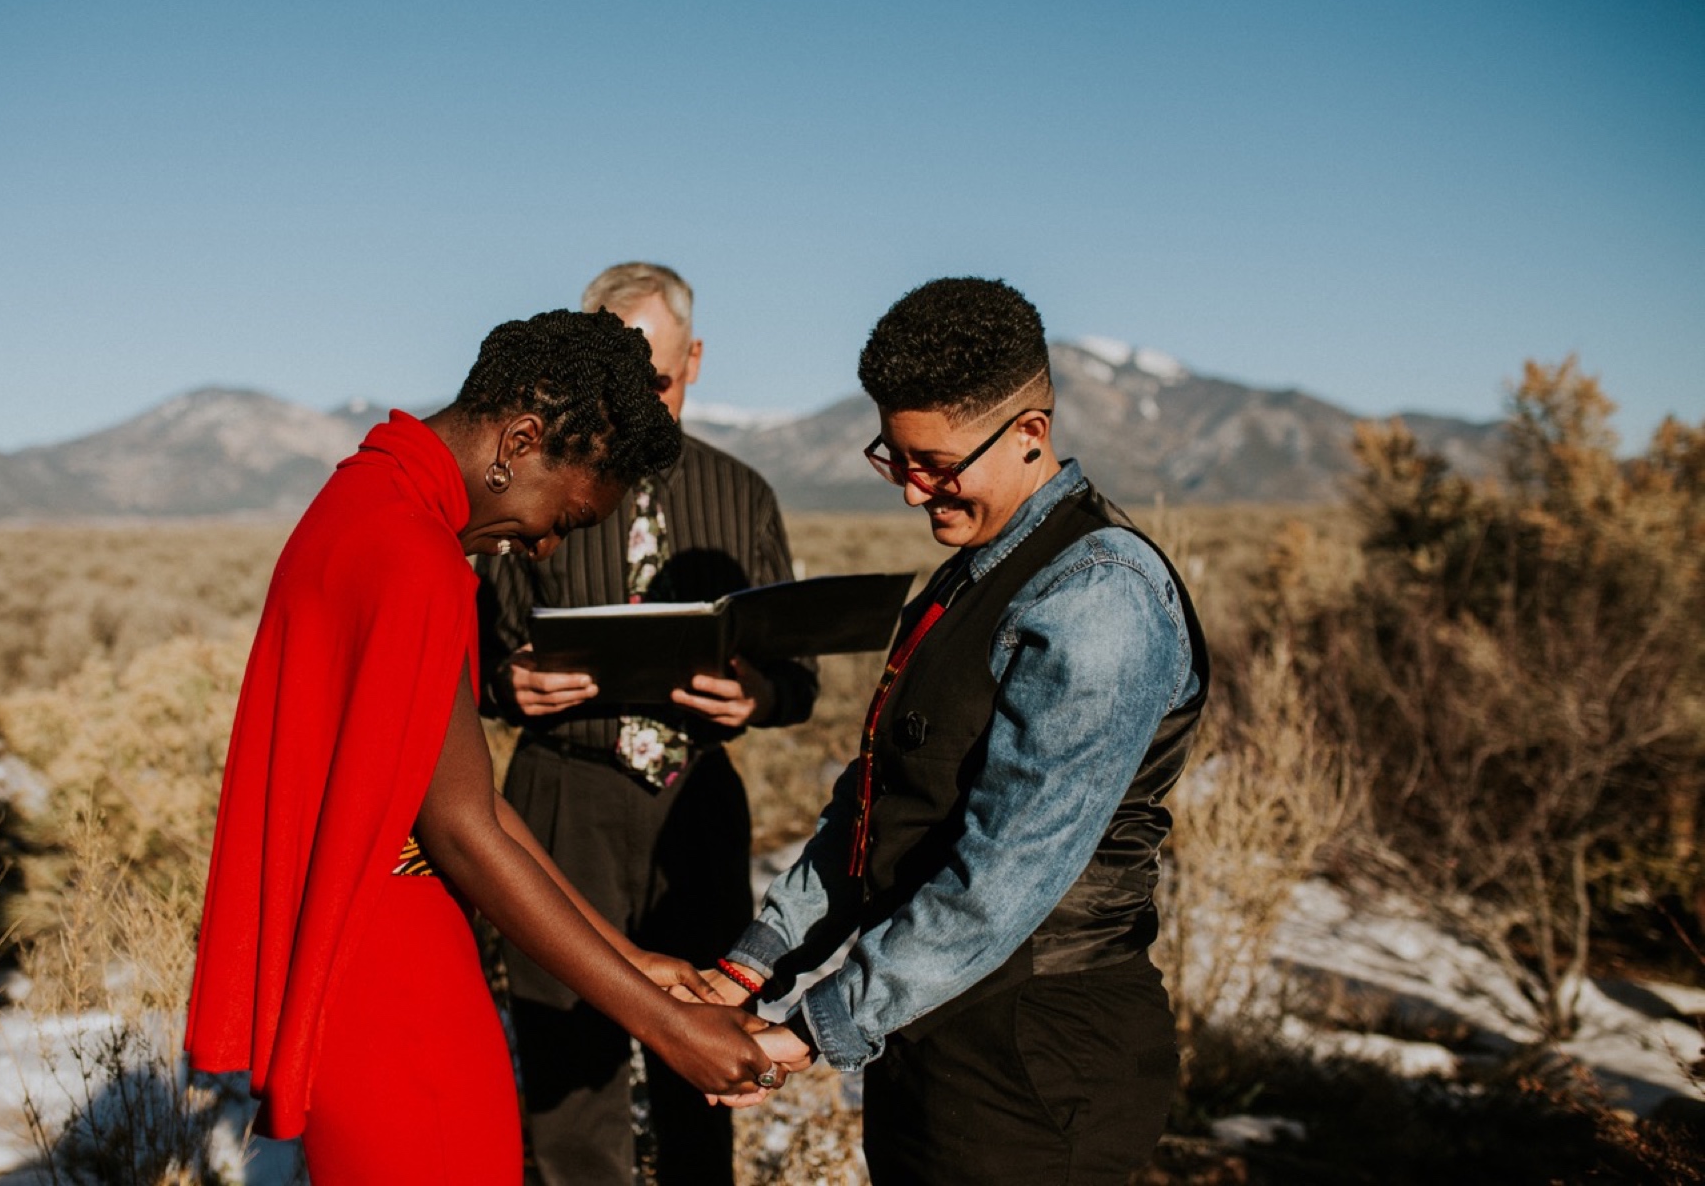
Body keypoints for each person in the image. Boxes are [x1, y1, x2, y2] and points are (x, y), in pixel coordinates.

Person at [184, 309, 789, 1184]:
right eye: (566, 516)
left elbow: (469, 806)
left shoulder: (367, 499)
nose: (544, 543)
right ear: (521, 439)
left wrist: (633, 965)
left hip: (367, 960)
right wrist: (665, 1026)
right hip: (396, 984)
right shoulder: (413, 555)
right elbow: (464, 831)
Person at [703, 278, 1211, 1185]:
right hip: (929, 1025)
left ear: (1030, 434)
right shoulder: (973, 573)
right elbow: (877, 806)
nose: (910, 493)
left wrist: (813, 1027)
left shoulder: (1099, 598)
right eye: (893, 459)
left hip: (1041, 1055)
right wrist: (757, 963)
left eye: (935, 464)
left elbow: (1006, 872)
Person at [476, 263, 820, 1186]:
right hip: (560, 798)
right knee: (565, 1064)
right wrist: (505, 685)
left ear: (695, 361)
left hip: (697, 808)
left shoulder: (742, 493)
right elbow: (464, 655)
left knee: (707, 1040)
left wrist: (759, 697)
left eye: (658, 380)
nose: (640, 403)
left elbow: (800, 676)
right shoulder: (540, 483)